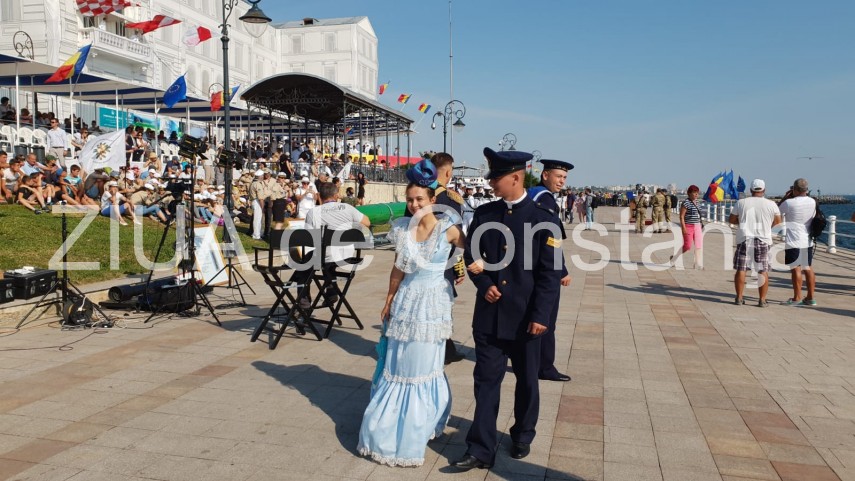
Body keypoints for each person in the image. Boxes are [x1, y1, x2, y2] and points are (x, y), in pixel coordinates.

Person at [452, 148, 563, 470]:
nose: (491, 183)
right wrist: (484, 283)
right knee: (485, 383)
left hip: (526, 319)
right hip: (489, 318)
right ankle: (479, 448)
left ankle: (523, 434)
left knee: (527, 382)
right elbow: (471, 256)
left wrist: (541, 316)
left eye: (496, 178)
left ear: (515, 177)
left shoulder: (544, 220)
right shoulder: (486, 214)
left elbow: (550, 274)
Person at [358, 159, 466, 467]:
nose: (414, 204)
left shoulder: (448, 229)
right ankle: (390, 426)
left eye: (420, 199)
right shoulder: (402, 229)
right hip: (405, 301)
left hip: (432, 304)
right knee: (399, 363)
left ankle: (420, 424)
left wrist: (465, 267)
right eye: (410, 199)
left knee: (422, 365)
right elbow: (398, 268)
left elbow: (472, 250)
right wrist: (389, 299)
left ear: (432, 199)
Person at [526, 159, 573, 382]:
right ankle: (543, 367)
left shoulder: (535, 195)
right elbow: (550, 241)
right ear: (545, 175)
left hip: (534, 265)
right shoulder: (543, 199)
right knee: (546, 318)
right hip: (543, 269)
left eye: (564, 178)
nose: (562, 181)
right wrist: (561, 269)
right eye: (558, 176)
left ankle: (534, 363)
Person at [728, 179, 781, 307]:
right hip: (763, 240)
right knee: (762, 270)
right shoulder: (771, 204)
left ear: (751, 190)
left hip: (745, 239)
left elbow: (732, 220)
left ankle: (739, 297)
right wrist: (767, 227)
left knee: (741, 269)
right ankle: (762, 300)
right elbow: (778, 222)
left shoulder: (741, 203)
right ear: (764, 190)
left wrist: (742, 222)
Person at [778, 178, 817, 306]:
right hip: (807, 240)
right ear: (806, 189)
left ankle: (797, 298)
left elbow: (776, 212)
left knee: (796, 269)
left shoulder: (789, 203)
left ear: (794, 189)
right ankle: (810, 297)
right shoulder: (812, 201)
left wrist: (785, 197)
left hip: (793, 241)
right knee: (808, 268)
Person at [669, 184, 704, 269]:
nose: (696, 194)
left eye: (697, 193)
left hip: (697, 226)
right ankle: (674, 258)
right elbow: (681, 216)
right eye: (694, 192)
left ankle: (698, 263)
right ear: (689, 193)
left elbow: (698, 215)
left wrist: (700, 225)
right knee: (687, 246)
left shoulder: (697, 202)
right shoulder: (686, 203)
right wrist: (683, 228)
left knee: (698, 245)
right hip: (688, 226)